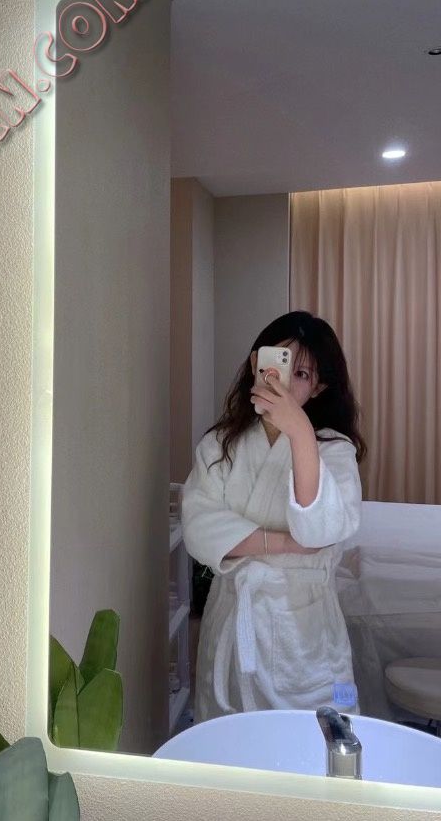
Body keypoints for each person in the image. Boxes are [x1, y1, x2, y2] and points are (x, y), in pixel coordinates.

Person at [181, 310, 367, 723]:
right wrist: (283, 543)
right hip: (235, 618)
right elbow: (198, 527)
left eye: (301, 374)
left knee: (315, 740)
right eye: (278, 363)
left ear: (318, 386)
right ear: (255, 363)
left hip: (306, 633)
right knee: (231, 743)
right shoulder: (219, 445)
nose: (284, 381)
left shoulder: (334, 450)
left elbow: (319, 530)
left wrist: (300, 433)